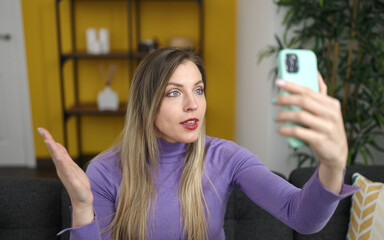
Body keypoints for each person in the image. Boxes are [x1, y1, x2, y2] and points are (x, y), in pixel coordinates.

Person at [38, 47, 358, 240]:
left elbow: (301, 216)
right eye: (174, 92)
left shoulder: (227, 157)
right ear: (146, 104)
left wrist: (332, 164)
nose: (193, 104)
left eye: (199, 89)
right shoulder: (105, 171)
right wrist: (82, 206)